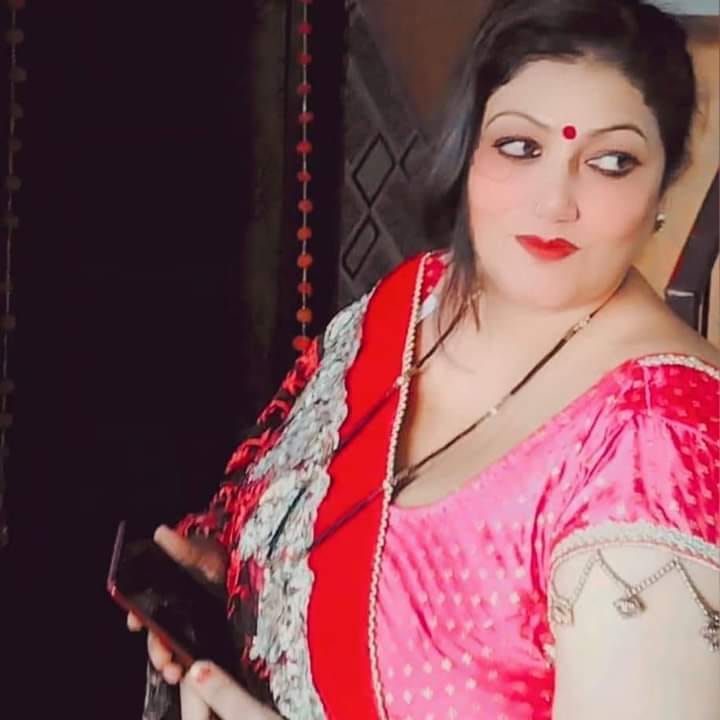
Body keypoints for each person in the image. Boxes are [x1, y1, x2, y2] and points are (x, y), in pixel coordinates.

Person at [130, 1, 720, 718]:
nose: (555, 201)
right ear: (468, 149)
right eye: (520, 147)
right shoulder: (415, 301)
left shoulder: (663, 442)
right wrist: (233, 590)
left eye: (611, 162)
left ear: (663, 186)